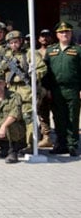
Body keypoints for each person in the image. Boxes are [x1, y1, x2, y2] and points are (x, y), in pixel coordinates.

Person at [43, 21, 81, 157]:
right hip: (55, 90)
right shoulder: (50, 50)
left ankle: (73, 145)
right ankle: (61, 144)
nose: (64, 34)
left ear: (71, 33)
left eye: (67, 32)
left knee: (72, 118)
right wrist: (46, 89)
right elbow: (45, 72)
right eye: (61, 32)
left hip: (73, 89)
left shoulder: (78, 50)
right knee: (58, 118)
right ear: (57, 35)